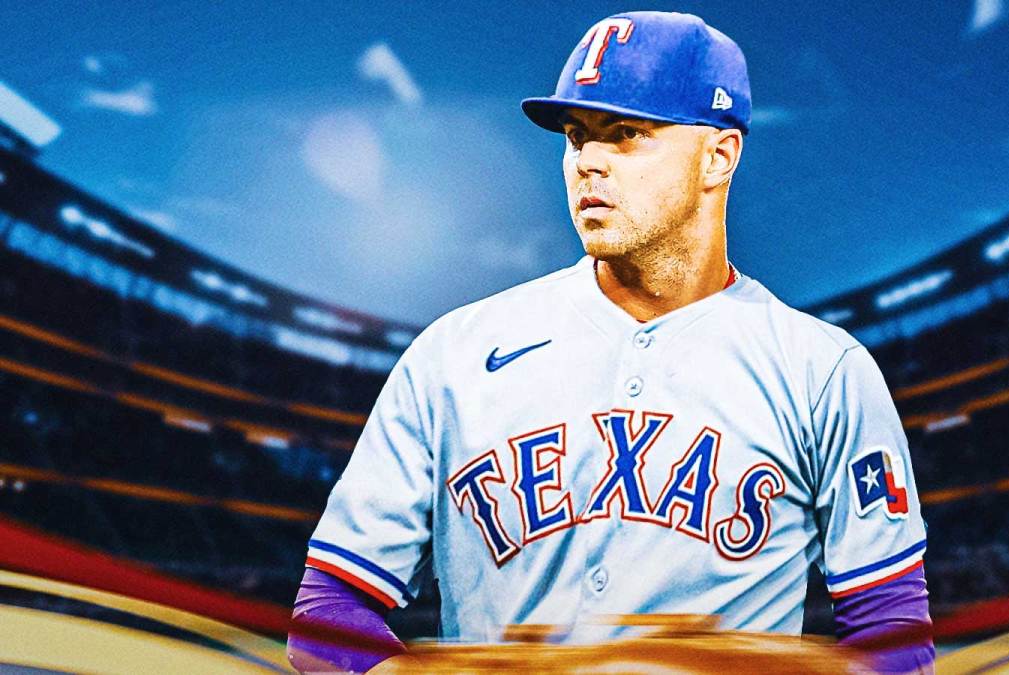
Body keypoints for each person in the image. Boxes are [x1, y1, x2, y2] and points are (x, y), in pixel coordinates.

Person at [288, 10, 934, 674]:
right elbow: (327, 614)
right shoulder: (451, 356)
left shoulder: (823, 371)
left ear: (718, 157)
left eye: (626, 133)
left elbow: (893, 637)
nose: (587, 161)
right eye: (576, 135)